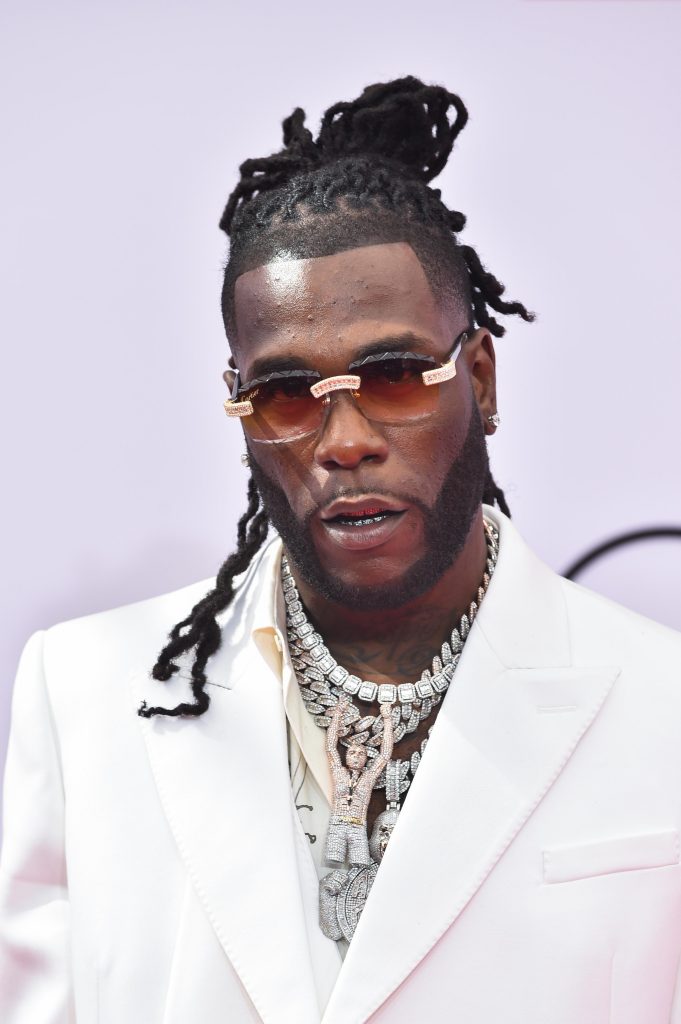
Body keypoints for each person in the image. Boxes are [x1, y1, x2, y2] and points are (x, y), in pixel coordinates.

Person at [1, 76, 681, 1024]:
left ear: (480, 380)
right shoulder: (81, 691)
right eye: (284, 393)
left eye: (395, 374)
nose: (345, 441)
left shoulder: (662, 704)